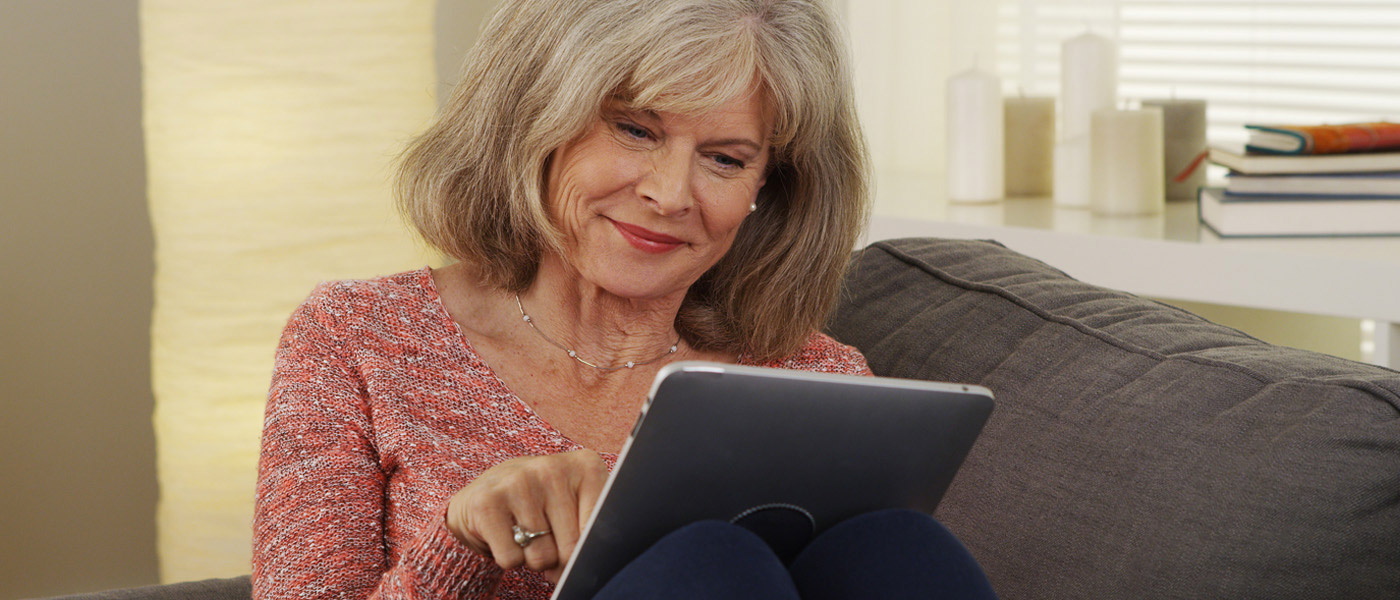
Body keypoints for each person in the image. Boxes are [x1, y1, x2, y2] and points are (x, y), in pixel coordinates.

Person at [253, 0, 996, 598]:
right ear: (535, 119)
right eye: (636, 129)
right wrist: (463, 538)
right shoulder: (358, 337)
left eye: (724, 158)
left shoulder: (820, 384)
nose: (669, 194)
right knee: (710, 565)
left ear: (767, 187)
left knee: (899, 547)